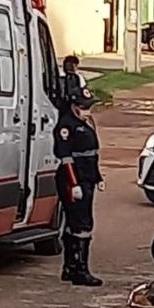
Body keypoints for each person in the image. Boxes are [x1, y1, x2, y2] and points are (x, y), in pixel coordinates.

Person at [55, 87, 103, 287]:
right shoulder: (67, 126)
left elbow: (92, 155)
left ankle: (70, 267)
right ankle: (80, 270)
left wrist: (98, 177)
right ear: (74, 106)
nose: (87, 111)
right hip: (73, 180)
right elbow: (66, 158)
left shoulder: (86, 123)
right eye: (83, 107)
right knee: (82, 224)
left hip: (87, 178)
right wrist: (74, 184)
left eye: (89, 107)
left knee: (76, 223)